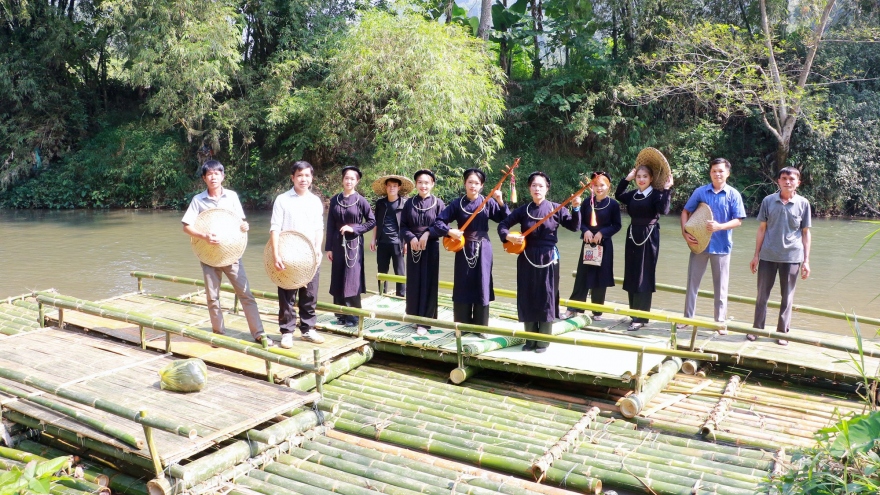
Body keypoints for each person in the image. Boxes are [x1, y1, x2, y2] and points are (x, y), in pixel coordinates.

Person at [181, 160, 267, 344]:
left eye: (216, 173)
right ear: (204, 178)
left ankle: (259, 333)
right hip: (208, 254)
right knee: (212, 297)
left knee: (245, 294)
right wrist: (204, 236)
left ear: (222, 176)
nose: (213, 177)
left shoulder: (232, 196)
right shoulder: (198, 200)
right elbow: (186, 227)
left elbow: (241, 222)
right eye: (209, 174)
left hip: (231, 252)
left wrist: (245, 225)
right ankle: (219, 334)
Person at [498, 171, 582, 353]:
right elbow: (502, 225)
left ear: (547, 189)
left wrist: (576, 208)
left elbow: (575, 227)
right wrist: (509, 238)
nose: (537, 189)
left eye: (541, 186)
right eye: (534, 185)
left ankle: (543, 341)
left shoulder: (557, 208)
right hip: (527, 256)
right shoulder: (523, 210)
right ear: (529, 188)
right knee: (528, 295)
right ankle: (530, 340)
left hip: (549, 257)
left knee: (547, 295)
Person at [435, 169, 509, 329]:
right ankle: (462, 326)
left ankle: (480, 327)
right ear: (464, 184)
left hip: (483, 247)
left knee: (482, 282)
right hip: (462, 247)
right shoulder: (457, 203)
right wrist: (449, 231)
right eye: (470, 182)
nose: (473, 186)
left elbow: (506, 219)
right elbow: (439, 221)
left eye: (476, 183)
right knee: (463, 283)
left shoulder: (488, 202)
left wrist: (500, 201)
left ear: (482, 186)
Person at [678, 158, 746, 334]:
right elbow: (686, 211)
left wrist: (719, 227)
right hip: (699, 244)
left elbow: (738, 221)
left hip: (722, 246)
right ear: (710, 173)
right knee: (692, 283)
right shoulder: (701, 192)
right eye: (714, 171)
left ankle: (719, 322)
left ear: (727, 173)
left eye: (721, 171)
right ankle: (687, 318)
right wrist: (685, 233)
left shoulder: (733, 194)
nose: (717, 174)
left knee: (721, 286)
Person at [748, 167, 811, 346]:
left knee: (787, 296)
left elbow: (805, 233)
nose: (787, 181)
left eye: (792, 179)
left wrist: (806, 260)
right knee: (762, 294)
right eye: (784, 178)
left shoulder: (803, 204)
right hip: (768, 255)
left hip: (792, 257)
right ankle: (756, 329)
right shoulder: (768, 201)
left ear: (798, 182)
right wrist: (756, 255)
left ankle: (782, 332)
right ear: (778, 181)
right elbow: (762, 229)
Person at [269, 160, 326, 348]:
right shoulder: (282, 199)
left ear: (312, 178)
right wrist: (276, 254)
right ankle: (287, 331)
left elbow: (319, 228)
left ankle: (308, 329)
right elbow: (275, 228)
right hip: (288, 252)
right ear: (292, 177)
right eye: (299, 175)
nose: (303, 179)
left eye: (307, 175)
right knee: (287, 293)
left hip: (310, 253)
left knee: (310, 294)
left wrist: (318, 249)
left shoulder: (315, 201)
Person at [616, 164, 673, 331]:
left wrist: (667, 190)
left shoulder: (656, 194)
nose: (641, 179)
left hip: (649, 235)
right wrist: (627, 179)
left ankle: (641, 317)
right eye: (638, 176)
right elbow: (619, 194)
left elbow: (664, 209)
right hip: (633, 234)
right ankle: (634, 313)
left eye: (645, 177)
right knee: (632, 272)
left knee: (644, 274)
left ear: (651, 179)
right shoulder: (633, 194)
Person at [563, 171, 621, 321]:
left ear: (609, 187)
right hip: (588, 243)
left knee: (601, 278)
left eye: (602, 185)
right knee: (582, 276)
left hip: (604, 244)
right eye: (596, 185)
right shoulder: (587, 202)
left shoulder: (613, 204)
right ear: (592, 186)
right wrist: (586, 231)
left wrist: (602, 233)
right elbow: (580, 221)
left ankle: (597, 311)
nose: (599, 188)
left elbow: (617, 225)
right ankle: (573, 308)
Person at [326, 166, 376, 327]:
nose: (349, 181)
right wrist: (329, 248)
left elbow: (371, 221)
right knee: (338, 277)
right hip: (337, 242)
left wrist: (354, 229)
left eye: (352, 179)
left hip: (354, 243)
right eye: (346, 178)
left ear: (357, 181)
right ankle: (340, 314)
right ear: (342, 179)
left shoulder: (361, 200)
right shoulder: (335, 199)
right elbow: (330, 224)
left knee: (351, 278)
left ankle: (353, 316)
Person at [400, 170, 445, 336]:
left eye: (427, 182)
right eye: (420, 182)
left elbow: (442, 226)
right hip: (414, 248)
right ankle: (414, 316)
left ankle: (425, 322)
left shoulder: (438, 203)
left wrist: (428, 233)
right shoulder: (409, 203)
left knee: (429, 282)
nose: (423, 185)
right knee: (414, 281)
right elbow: (403, 226)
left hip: (431, 247)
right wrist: (410, 238)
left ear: (432, 184)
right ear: (416, 184)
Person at [370, 176, 411, 297]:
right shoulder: (380, 203)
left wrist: (406, 242)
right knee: (382, 271)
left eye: (394, 186)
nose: (391, 188)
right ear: (385, 187)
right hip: (382, 241)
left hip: (398, 242)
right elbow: (376, 222)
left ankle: (401, 295)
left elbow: (408, 224)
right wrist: (373, 239)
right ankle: (382, 293)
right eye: (389, 186)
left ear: (399, 187)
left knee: (400, 271)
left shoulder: (404, 204)